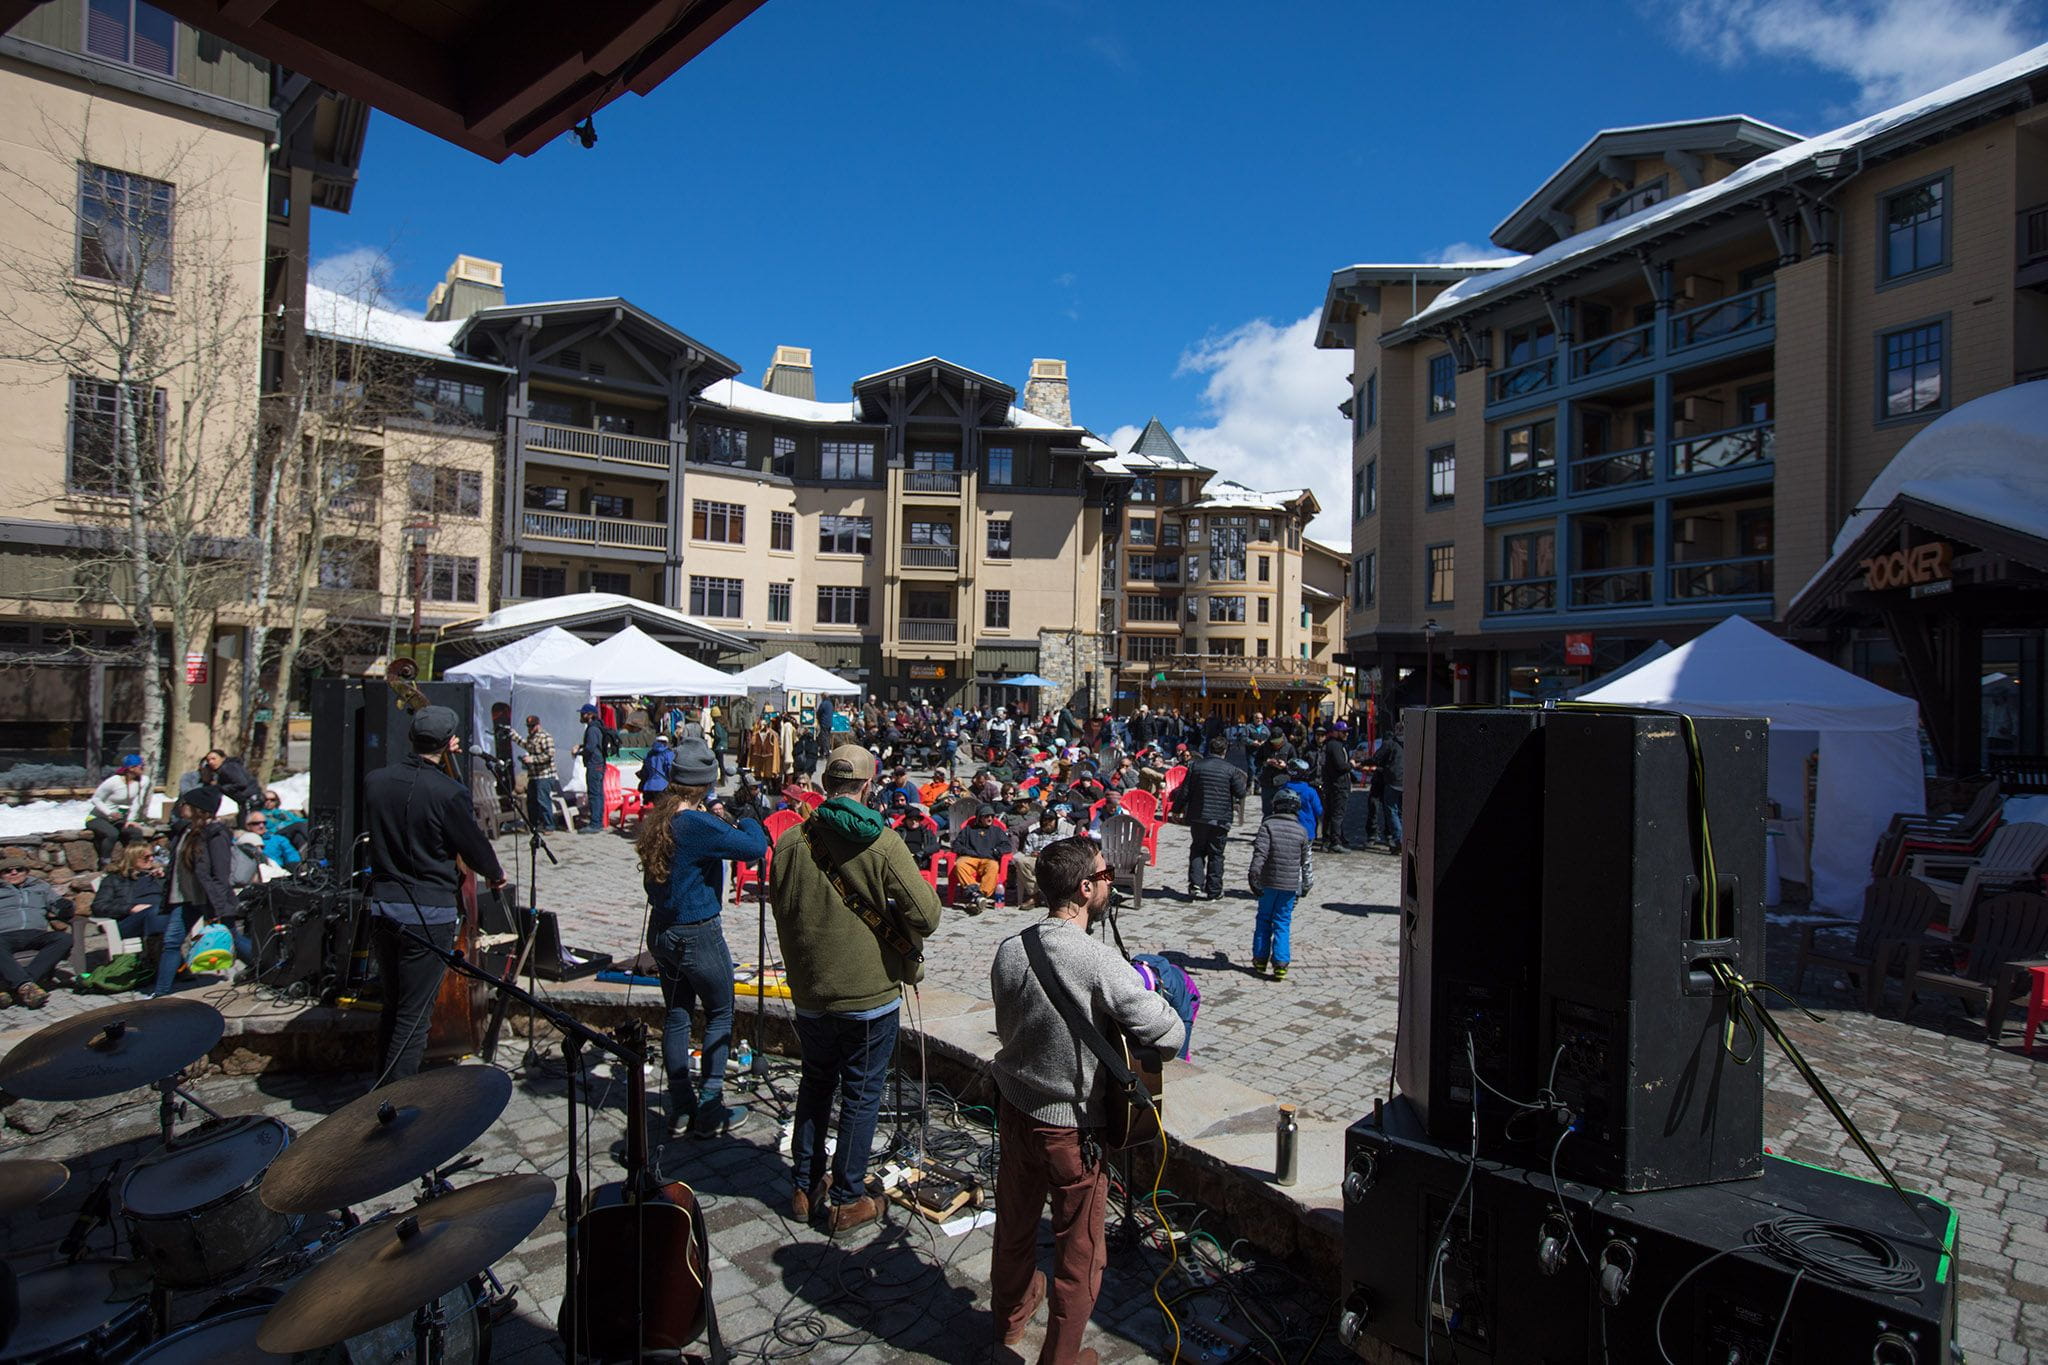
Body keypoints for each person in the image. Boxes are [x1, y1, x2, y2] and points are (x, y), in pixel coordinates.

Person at [988, 838, 1183, 1365]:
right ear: (1085, 888)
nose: (1110, 882)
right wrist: (1149, 991)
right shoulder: (1099, 962)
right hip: (1071, 1130)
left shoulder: (1010, 948)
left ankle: (1007, 1324)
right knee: (1080, 1252)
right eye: (1104, 874)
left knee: (1014, 1225)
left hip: (1015, 1109)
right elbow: (1170, 1034)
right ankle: (1062, 1358)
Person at [769, 745, 943, 1234]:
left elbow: (783, 912)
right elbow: (927, 914)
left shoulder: (790, 842)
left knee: (816, 1082)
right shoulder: (882, 843)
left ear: (826, 785)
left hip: (809, 993)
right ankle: (846, 1198)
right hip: (868, 995)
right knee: (862, 1094)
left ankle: (805, 1187)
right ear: (869, 786)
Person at [360, 706, 507, 1085]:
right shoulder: (449, 792)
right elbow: (472, 845)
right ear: (448, 743)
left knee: (392, 1006)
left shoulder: (376, 781)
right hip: (427, 912)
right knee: (414, 1016)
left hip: (383, 907)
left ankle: (376, 1088)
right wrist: (494, 874)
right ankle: (392, 1102)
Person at [636, 739, 762, 1139]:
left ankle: (681, 1108)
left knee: (677, 1015)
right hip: (697, 933)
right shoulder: (696, 823)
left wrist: (717, 817)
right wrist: (745, 817)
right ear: (706, 784)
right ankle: (710, 1108)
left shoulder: (663, 815)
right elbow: (754, 848)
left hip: (663, 930)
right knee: (720, 1013)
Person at [156, 787, 252, 996]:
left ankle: (264, 966)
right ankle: (161, 993)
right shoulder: (185, 831)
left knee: (232, 938)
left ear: (198, 809)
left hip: (209, 898)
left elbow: (220, 872)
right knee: (171, 941)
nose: (181, 807)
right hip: (185, 898)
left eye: (185, 804)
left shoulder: (216, 834)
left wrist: (218, 907)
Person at [1247, 789, 1313, 980]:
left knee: (1264, 920)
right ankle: (1281, 963)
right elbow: (1306, 862)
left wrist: (1254, 876)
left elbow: (1260, 854)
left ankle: (1260, 959)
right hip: (1290, 885)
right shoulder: (1302, 831)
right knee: (1283, 923)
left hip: (1268, 882)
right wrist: (1306, 885)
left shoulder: (1268, 826)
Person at [1176, 737, 1248, 901]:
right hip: (1221, 818)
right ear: (1224, 751)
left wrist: (1176, 809)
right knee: (1216, 854)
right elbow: (1241, 793)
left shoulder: (1196, 766)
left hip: (1199, 816)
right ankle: (1214, 890)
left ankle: (1195, 884)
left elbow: (1185, 790)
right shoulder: (1231, 769)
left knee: (1197, 849)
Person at [0, 856, 69, 1008]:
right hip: (4, 935)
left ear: (26, 872)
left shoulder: (40, 887)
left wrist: (65, 907)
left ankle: (19, 986)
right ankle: (26, 987)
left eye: (19, 869)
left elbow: (56, 905)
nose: (14, 873)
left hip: (35, 933)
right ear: (1, 874)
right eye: (7, 871)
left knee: (64, 939)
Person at [92, 837, 165, 943]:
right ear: (133, 858)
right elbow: (98, 906)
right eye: (146, 857)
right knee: (156, 911)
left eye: (152, 856)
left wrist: (164, 876)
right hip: (130, 921)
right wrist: (131, 908)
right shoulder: (115, 879)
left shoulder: (157, 876)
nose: (151, 859)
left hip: (160, 916)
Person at [86, 754, 151, 864]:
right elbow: (96, 799)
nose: (143, 768)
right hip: (98, 818)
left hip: (118, 819)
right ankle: (105, 863)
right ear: (131, 768)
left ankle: (133, 862)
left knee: (135, 833)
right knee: (112, 834)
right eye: (141, 766)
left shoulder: (143, 781)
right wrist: (109, 813)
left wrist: (131, 820)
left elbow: (137, 802)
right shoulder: (113, 782)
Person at [952, 802, 1014, 912]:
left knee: (993, 866)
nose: (990, 818)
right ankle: (976, 894)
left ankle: (980, 895)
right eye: (986, 816)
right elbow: (956, 845)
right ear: (980, 817)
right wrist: (967, 851)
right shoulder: (968, 830)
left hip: (989, 858)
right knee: (960, 864)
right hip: (971, 857)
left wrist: (996, 851)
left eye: (991, 816)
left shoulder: (997, 831)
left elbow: (1007, 846)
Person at [510, 714, 561, 833]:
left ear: (538, 725)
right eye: (528, 726)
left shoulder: (545, 737)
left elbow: (550, 754)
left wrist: (533, 759)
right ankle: (534, 824)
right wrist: (514, 735)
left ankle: (549, 825)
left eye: (532, 726)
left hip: (545, 775)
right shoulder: (531, 737)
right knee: (532, 801)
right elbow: (526, 745)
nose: (530, 728)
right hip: (533, 775)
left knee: (543, 800)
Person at [1315, 721, 1359, 853]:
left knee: (1329, 813)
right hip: (1338, 785)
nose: (1346, 734)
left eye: (1347, 732)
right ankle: (1335, 842)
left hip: (1333, 784)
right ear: (1335, 732)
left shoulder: (1334, 745)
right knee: (1337, 814)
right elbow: (1340, 766)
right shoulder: (1335, 745)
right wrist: (1351, 764)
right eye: (1343, 732)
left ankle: (1326, 841)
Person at [572, 704, 608, 833]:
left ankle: (595, 824)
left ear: (590, 715)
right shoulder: (597, 727)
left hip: (594, 764)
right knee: (598, 793)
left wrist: (578, 752)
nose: (581, 716)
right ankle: (598, 821)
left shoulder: (592, 729)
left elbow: (591, 748)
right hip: (599, 764)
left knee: (594, 794)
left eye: (583, 714)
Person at [1371, 721, 1405, 850]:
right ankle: (1401, 837)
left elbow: (1376, 758)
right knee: (1400, 812)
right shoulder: (1412, 742)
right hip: (1406, 782)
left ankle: (1399, 838)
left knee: (1392, 811)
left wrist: (1361, 762)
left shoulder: (1390, 744)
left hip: (1393, 781)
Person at [200, 749, 263, 816]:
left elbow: (241, 783)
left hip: (250, 799)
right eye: (208, 760)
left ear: (223, 758)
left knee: (248, 823)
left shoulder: (227, 767)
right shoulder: (224, 769)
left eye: (214, 759)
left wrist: (221, 787)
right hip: (248, 800)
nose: (211, 762)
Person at [639, 735, 674, 800]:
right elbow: (670, 769)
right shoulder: (668, 753)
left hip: (649, 786)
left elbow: (645, 771)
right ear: (666, 742)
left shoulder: (649, 754)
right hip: (663, 786)